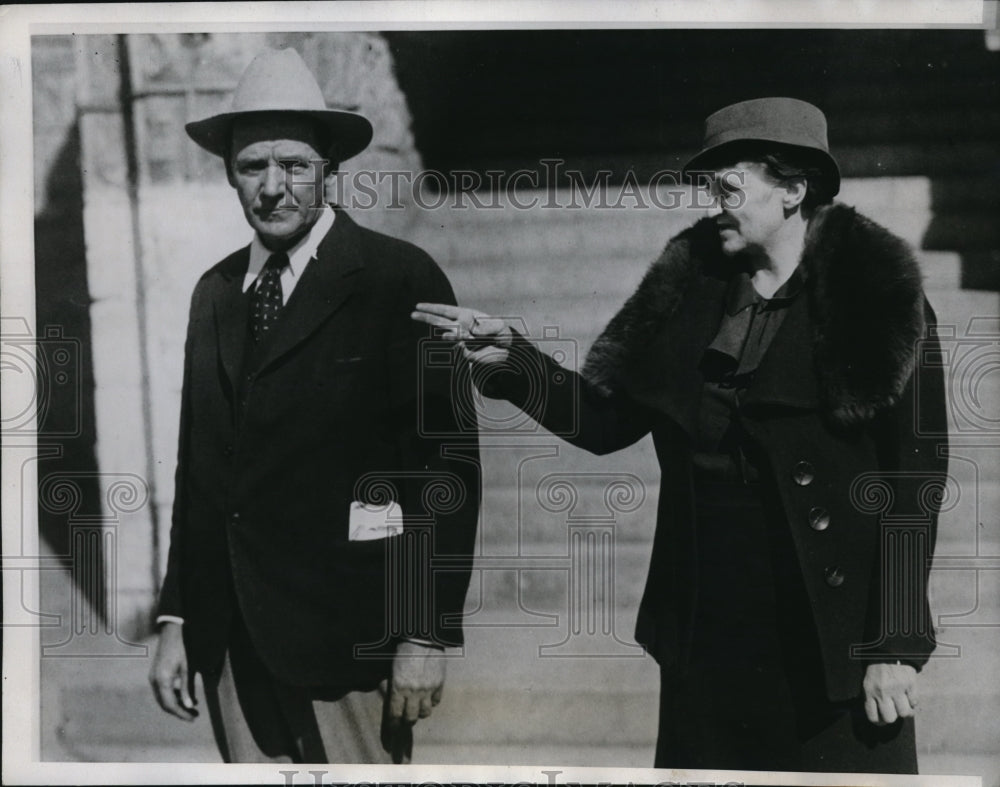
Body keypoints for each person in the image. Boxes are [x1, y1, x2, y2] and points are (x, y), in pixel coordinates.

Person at [413, 97, 948, 773]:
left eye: (729, 185)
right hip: (711, 633)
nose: (713, 202)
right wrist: (514, 360)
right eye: (708, 186)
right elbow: (604, 420)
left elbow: (915, 481)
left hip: (830, 634)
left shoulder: (878, 293)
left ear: (793, 188)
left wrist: (894, 643)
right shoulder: (689, 284)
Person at [148, 48, 480, 765]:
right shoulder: (215, 293)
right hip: (232, 637)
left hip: (346, 634)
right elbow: (197, 471)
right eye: (252, 166)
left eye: (294, 165)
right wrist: (177, 615)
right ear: (230, 171)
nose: (272, 187)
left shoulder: (398, 279)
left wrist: (423, 632)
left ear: (330, 167)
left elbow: (444, 468)